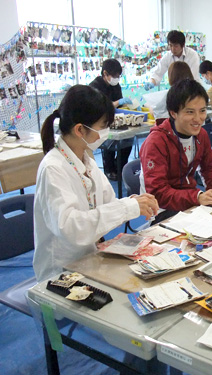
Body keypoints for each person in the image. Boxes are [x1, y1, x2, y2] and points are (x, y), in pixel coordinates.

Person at [33, 85, 159, 281]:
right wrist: (127, 208)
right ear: (80, 130)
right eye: (102, 127)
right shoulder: (53, 168)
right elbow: (72, 229)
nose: (106, 132)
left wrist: (134, 202)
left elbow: (108, 205)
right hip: (59, 273)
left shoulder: (86, 161)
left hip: (88, 260)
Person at [139, 79, 212, 223]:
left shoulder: (201, 134)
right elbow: (158, 193)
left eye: (202, 111)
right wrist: (197, 197)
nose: (198, 119)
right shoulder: (157, 141)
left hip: (189, 201)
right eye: (190, 112)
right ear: (173, 113)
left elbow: (208, 168)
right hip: (162, 209)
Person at [89, 58, 133, 181]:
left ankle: (121, 168)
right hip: (100, 122)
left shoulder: (116, 86)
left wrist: (129, 106)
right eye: (114, 76)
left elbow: (120, 103)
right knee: (109, 141)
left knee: (129, 137)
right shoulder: (95, 87)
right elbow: (100, 107)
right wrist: (118, 102)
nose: (116, 78)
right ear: (105, 74)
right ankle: (109, 170)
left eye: (118, 76)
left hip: (116, 119)